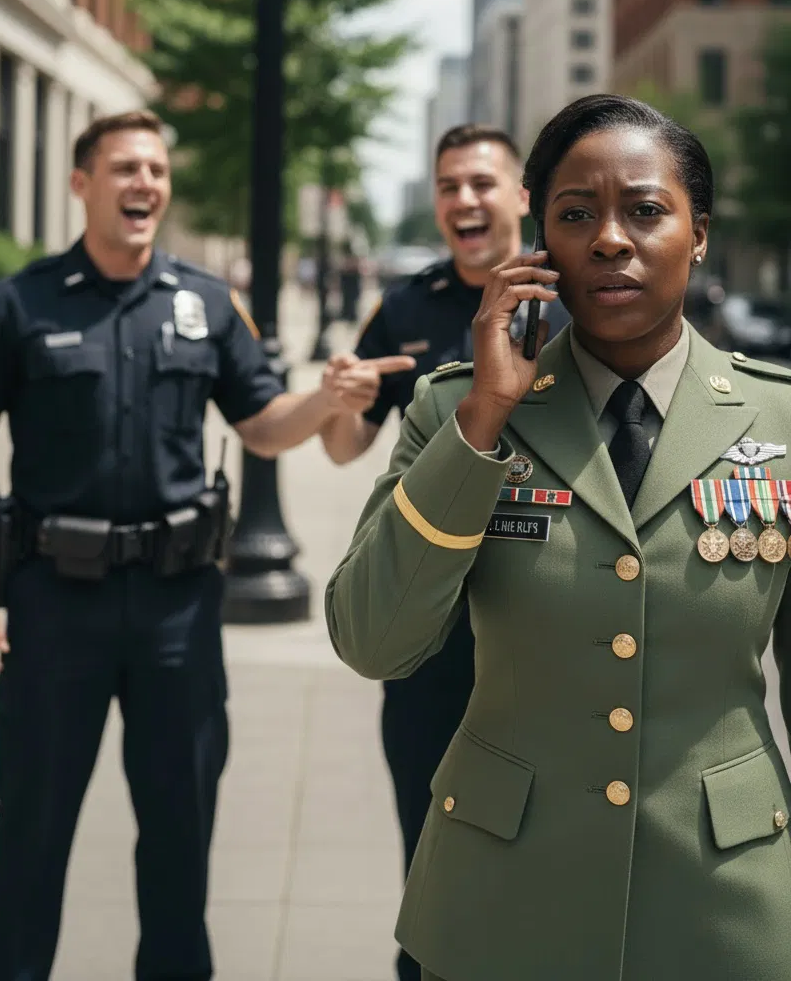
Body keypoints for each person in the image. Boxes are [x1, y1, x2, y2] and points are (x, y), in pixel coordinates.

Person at [325, 93, 791, 981]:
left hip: (723, 907)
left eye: (646, 210)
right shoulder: (455, 408)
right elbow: (373, 640)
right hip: (503, 900)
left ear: (698, 234)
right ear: (540, 243)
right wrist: (482, 421)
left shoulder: (781, 419)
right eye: (575, 215)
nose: (610, 239)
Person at [0, 110, 402, 981]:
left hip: (177, 611)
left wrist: (328, 400)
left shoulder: (208, 303)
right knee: (30, 835)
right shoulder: (22, 303)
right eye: (125, 168)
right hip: (52, 606)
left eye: (155, 168)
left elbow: (262, 426)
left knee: (181, 840)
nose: (144, 182)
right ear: (82, 184)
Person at [320, 125, 568, 981]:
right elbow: (346, 447)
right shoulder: (408, 304)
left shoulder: (575, 298)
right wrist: (342, 400)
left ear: (520, 198)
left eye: (481, 183)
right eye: (449, 186)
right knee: (430, 850)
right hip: (431, 622)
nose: (465, 200)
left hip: (540, 617)